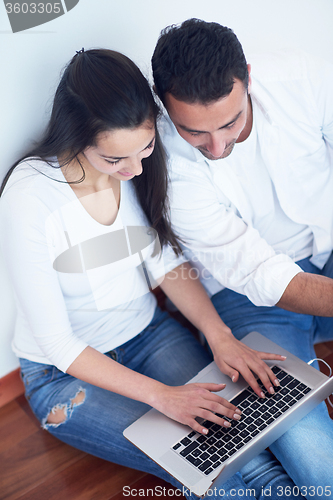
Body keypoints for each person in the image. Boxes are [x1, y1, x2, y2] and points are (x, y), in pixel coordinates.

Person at [0, 48, 304, 499]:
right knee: (217, 472)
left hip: (150, 335)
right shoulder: (30, 196)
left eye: (145, 150)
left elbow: (168, 267)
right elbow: (58, 345)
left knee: (251, 455)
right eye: (115, 160)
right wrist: (163, 396)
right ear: (75, 136)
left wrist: (219, 335)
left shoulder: (136, 167)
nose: (135, 170)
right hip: (63, 376)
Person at [152, 18, 333, 492]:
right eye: (195, 132)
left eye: (230, 122)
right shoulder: (164, 165)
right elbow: (260, 274)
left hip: (329, 248)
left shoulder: (303, 75)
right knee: (319, 469)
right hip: (252, 298)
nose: (217, 146)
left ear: (248, 77)